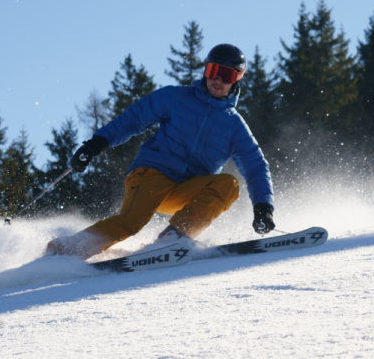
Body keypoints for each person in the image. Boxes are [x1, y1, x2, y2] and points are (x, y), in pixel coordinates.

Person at [47, 44, 275, 259]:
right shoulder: (176, 98)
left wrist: (263, 207)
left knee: (228, 185)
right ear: (206, 70)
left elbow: (256, 167)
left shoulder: (234, 126)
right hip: (152, 174)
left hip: (185, 188)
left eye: (226, 75)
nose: (218, 80)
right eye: (213, 71)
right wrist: (95, 144)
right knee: (131, 222)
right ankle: (63, 251)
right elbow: (134, 119)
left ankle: (174, 236)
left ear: (236, 79)